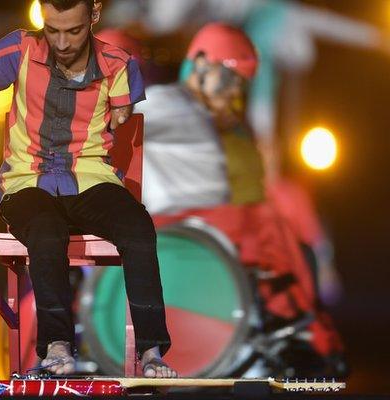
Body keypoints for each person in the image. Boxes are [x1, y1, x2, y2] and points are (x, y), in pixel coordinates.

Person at [0, 0, 176, 377]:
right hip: (25, 182)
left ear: (94, 17)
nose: (63, 43)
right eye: (53, 30)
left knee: (138, 228)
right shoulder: (20, 48)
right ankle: (57, 344)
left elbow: (122, 118)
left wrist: (118, 110)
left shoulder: (117, 63)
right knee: (47, 232)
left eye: (74, 31)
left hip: (88, 179)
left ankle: (151, 351)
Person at [135, 23, 345, 376]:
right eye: (229, 78)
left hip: (203, 222)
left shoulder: (225, 125)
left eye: (239, 85)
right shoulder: (165, 104)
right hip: (175, 224)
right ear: (201, 64)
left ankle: (298, 328)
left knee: (277, 215)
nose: (233, 92)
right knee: (264, 221)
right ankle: (297, 330)